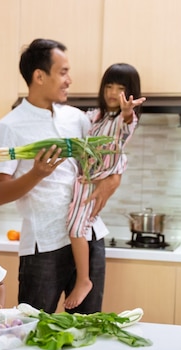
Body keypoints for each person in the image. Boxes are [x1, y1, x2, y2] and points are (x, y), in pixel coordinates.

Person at [0, 38, 120, 314]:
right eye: (63, 72)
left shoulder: (78, 119)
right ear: (39, 76)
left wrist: (111, 182)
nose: (70, 80)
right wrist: (36, 173)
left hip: (88, 235)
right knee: (34, 331)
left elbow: (106, 162)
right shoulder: (8, 127)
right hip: (43, 246)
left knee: (87, 331)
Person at [64, 63, 146, 310]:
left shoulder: (123, 120)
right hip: (86, 180)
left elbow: (127, 124)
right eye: (109, 86)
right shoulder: (94, 116)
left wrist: (127, 112)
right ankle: (84, 279)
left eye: (120, 88)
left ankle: (84, 280)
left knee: (76, 228)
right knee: (77, 227)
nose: (113, 92)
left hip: (93, 181)